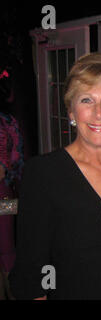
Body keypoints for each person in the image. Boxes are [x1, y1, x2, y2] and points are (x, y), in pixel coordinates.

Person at [9, 53, 101, 299]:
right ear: (71, 112)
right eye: (86, 100)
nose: (98, 113)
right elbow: (32, 273)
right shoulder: (43, 174)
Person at [0, 110, 23, 300]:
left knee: (8, 247)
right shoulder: (8, 120)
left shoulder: (6, 121)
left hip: (5, 195)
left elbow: (6, 166)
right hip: (8, 193)